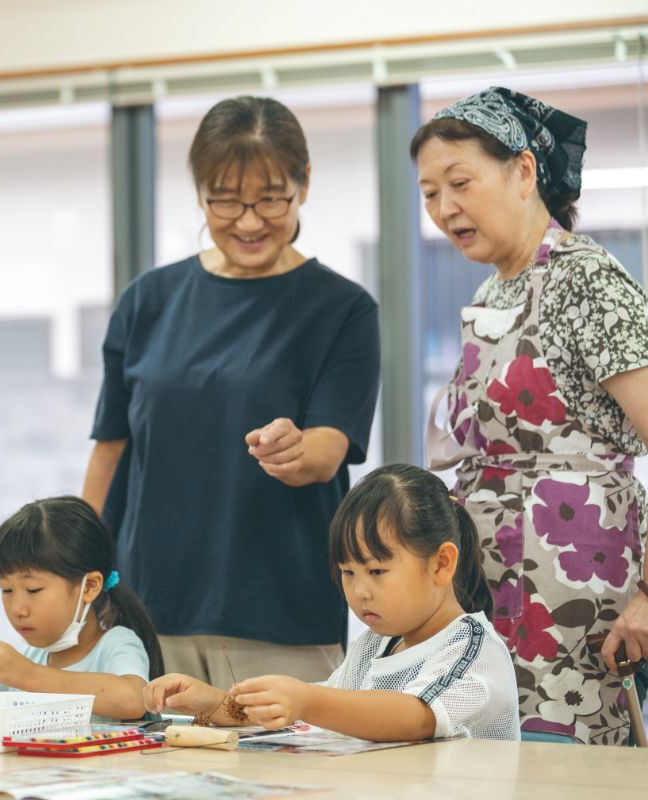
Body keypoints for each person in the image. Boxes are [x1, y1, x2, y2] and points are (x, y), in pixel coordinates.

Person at [83, 96, 380, 686]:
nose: (248, 222)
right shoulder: (148, 301)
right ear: (200, 193)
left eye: (271, 198)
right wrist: (74, 567)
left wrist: (295, 448)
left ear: (304, 183)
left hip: (282, 617)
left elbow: (327, 451)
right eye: (225, 200)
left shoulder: (342, 309)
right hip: (148, 611)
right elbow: (111, 451)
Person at [413, 87, 648, 745]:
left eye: (460, 183)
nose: (444, 208)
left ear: (523, 171)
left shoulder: (586, 279)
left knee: (569, 766)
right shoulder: (493, 289)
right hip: (491, 587)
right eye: (429, 193)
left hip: (578, 589)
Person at [143, 464, 519, 742]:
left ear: (441, 564)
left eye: (377, 571)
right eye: (347, 572)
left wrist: (306, 699)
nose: (360, 592)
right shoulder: (377, 643)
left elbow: (416, 717)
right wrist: (213, 702)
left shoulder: (472, 648)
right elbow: (325, 715)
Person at [0, 496, 163, 720]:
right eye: (7, 590)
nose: (18, 610)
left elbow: (133, 699)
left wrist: (27, 675)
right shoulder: (28, 658)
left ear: (89, 586)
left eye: (33, 589)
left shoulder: (115, 644)